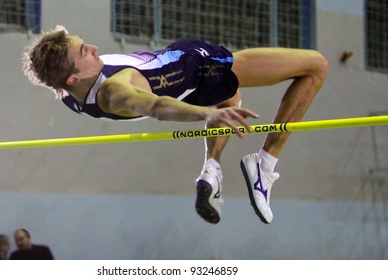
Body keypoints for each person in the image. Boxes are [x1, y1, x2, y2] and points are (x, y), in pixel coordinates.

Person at [23, 26, 328, 225]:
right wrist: (205, 114)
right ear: (74, 78)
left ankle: (212, 169)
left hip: (181, 82)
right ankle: (264, 164)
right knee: (316, 66)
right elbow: (157, 107)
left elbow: (45, 66)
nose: (93, 47)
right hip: (196, 66)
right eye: (83, 51)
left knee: (230, 96)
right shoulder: (114, 91)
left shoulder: (66, 92)